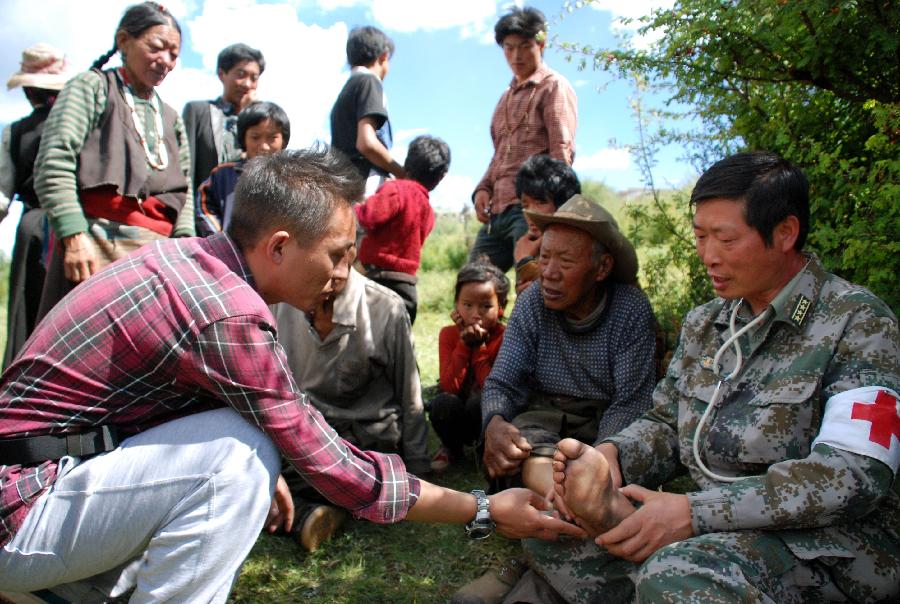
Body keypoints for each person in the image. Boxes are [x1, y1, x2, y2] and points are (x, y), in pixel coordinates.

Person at [0, 147, 585, 602]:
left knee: (246, 445)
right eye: (335, 255)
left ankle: (72, 588)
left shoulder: (187, 260)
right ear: (279, 246)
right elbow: (334, 465)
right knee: (234, 461)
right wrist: (482, 509)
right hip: (21, 509)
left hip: (45, 474)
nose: (341, 274)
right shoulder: (230, 313)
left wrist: (268, 462)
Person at [519, 151, 900, 604]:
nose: (708, 256)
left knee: (677, 574)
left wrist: (695, 513)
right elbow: (665, 423)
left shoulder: (856, 322)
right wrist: (610, 458)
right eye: (700, 237)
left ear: (785, 233)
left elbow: (854, 475)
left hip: (826, 545)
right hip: (712, 534)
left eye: (725, 239)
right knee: (553, 534)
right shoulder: (707, 324)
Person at [452, 194, 656, 604]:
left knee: (599, 476)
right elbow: (504, 382)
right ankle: (567, 525)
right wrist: (494, 422)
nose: (549, 273)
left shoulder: (630, 309)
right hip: (545, 423)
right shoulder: (531, 304)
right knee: (525, 455)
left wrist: (599, 463)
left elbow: (632, 402)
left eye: (565, 261)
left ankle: (530, 562)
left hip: (608, 428)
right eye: (544, 257)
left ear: (602, 268)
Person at [33, 2, 193, 322]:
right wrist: (74, 236)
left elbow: (185, 187)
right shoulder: (90, 87)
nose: (166, 61)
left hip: (158, 259)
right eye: (157, 47)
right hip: (95, 245)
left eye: (174, 54)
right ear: (123, 41)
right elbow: (54, 162)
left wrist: (183, 251)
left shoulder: (171, 117)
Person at [273, 259, 430, 550]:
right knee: (247, 473)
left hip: (362, 444)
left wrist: (418, 472)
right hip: (304, 439)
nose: (336, 269)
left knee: (353, 475)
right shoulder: (281, 302)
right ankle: (315, 513)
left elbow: (410, 394)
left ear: (352, 251)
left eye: (341, 253)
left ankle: (306, 511)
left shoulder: (386, 308)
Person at [470, 6, 577, 272]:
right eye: (509, 47)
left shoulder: (553, 87)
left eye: (525, 46)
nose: (516, 55)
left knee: (532, 281)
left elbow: (561, 152)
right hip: (497, 211)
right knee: (475, 279)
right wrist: (482, 189)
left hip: (531, 209)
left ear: (541, 44)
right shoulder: (504, 99)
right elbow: (499, 155)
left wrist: (553, 214)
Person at [0, 43, 74, 368]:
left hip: (36, 227)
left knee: (27, 314)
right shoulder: (81, 127)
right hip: (74, 227)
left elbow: (2, 196)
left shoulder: (15, 131)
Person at [355, 134, 450, 324]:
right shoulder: (429, 211)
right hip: (407, 283)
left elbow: (367, 217)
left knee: (366, 336)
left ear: (407, 163)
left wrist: (352, 207)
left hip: (376, 279)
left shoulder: (396, 190)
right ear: (440, 177)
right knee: (398, 341)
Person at [430, 259, 510, 473]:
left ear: (501, 307)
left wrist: (480, 347)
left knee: (480, 401)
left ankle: (485, 446)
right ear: (456, 305)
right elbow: (449, 386)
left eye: (486, 306)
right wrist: (465, 344)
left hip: (487, 410)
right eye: (467, 305)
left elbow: (492, 387)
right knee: (442, 403)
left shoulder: (506, 337)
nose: (476, 314)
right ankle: (451, 447)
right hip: (456, 407)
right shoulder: (448, 335)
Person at [195, 100, 290, 236]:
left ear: (284, 140)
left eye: (272, 138)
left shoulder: (292, 180)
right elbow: (204, 206)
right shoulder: (223, 175)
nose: (264, 146)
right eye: (255, 137)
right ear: (243, 139)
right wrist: (219, 238)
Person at [330, 25, 405, 195]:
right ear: (383, 57)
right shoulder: (370, 82)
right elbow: (367, 143)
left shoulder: (347, 90)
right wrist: (402, 173)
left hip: (342, 184)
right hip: (364, 183)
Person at [182, 42, 265, 192]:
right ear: (222, 74)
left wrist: (251, 116)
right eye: (241, 74)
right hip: (205, 208)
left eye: (254, 78)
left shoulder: (263, 122)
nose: (247, 84)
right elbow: (185, 169)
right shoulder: (198, 111)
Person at [511, 154, 581, 294]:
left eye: (540, 202)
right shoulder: (530, 244)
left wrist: (525, 262)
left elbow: (576, 290)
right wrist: (523, 294)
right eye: (525, 205)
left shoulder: (580, 241)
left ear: (565, 204)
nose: (530, 213)